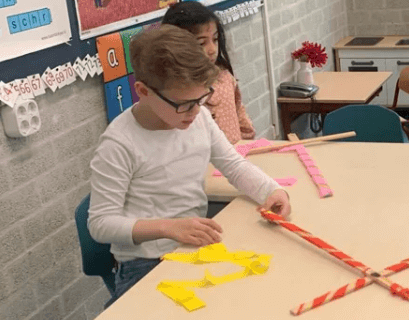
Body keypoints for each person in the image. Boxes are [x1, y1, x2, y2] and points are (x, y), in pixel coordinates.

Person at [88, 25, 290, 307]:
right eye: (184, 104)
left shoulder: (199, 118)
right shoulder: (119, 144)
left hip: (193, 245)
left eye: (201, 99)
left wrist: (270, 191)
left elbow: (232, 164)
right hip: (145, 262)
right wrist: (168, 228)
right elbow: (100, 224)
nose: (196, 111)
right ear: (143, 91)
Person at [162, 0, 256, 144]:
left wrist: (249, 140)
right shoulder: (178, 91)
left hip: (236, 156)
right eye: (201, 43)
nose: (212, 49)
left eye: (215, 39)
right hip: (204, 162)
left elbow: (239, 110)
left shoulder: (224, 77)